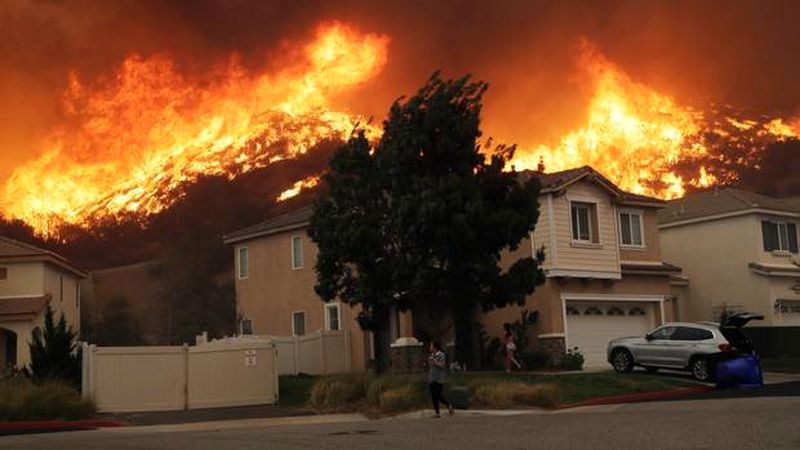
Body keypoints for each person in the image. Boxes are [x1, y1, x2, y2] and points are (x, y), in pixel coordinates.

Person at [427, 340, 454, 418]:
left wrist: (434, 361)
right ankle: (437, 412)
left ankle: (448, 405)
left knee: (438, 395)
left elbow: (442, 365)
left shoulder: (441, 355)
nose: (430, 347)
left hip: (439, 378)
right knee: (433, 396)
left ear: (435, 347)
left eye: (431, 346)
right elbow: (431, 366)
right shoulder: (431, 355)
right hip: (432, 377)